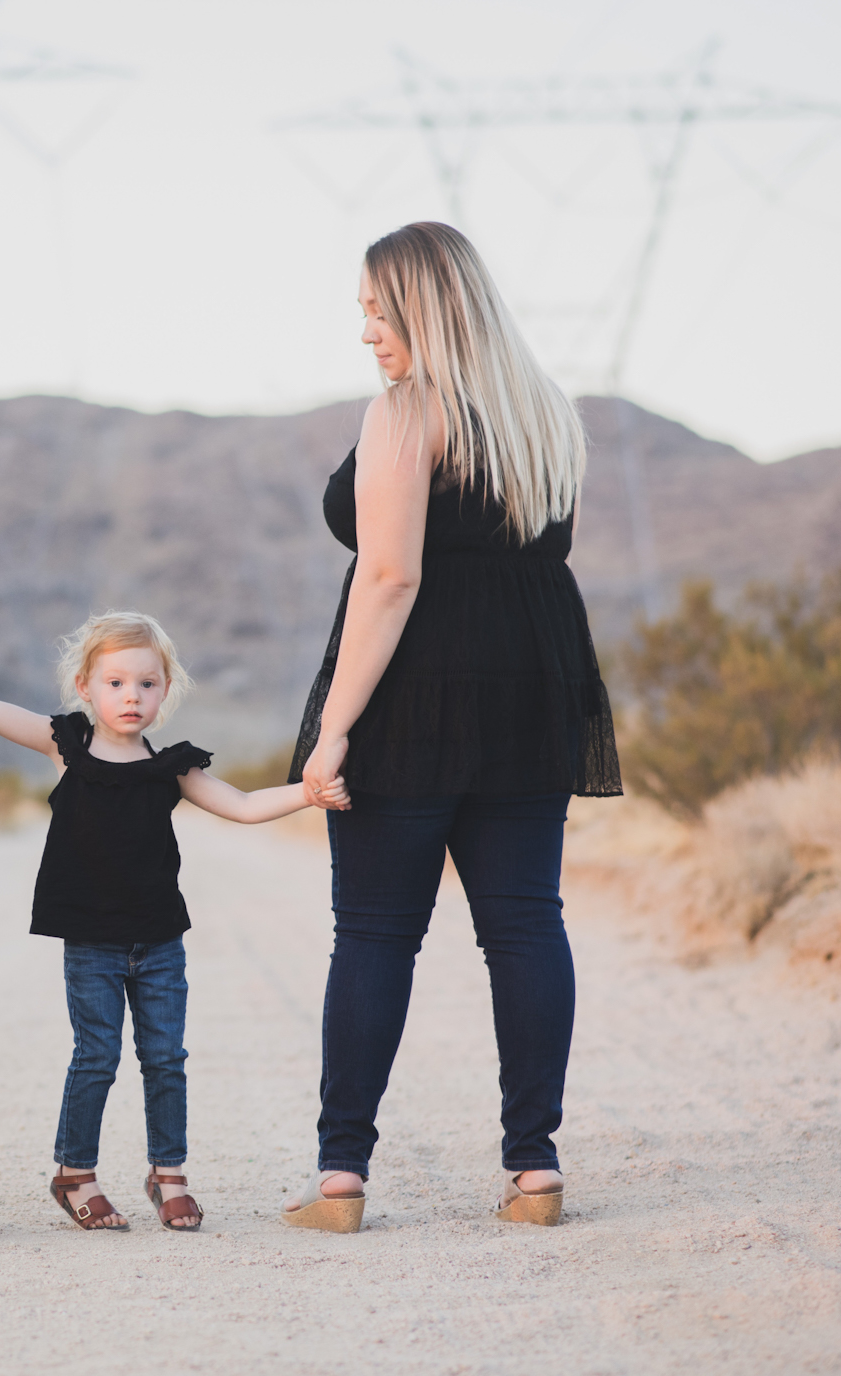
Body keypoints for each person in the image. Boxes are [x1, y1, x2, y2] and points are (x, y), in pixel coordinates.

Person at [279, 222, 622, 1234]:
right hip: (528, 687)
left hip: (416, 692)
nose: (366, 335)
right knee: (523, 921)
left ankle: (339, 1176)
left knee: (377, 932)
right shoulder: (544, 414)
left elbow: (390, 576)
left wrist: (332, 726)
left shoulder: (406, 410)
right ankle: (533, 1169)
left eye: (377, 313)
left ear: (423, 310)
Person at [0, 603, 332, 1232]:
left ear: (165, 692)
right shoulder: (65, 743)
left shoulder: (171, 767)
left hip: (158, 942)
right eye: (116, 683)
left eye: (146, 684)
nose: (131, 696)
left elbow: (246, 803)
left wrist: (309, 793)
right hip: (91, 942)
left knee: (165, 1058)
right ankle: (75, 1174)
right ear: (86, 688)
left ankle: (167, 1174)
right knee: (96, 1055)